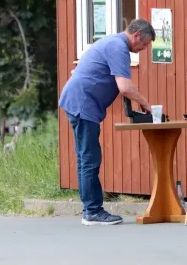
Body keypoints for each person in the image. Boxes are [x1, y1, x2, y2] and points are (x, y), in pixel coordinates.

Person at [58, 19, 155, 226]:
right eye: (144, 45)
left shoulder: (111, 42)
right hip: (83, 105)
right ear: (136, 35)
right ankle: (92, 211)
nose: (143, 50)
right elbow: (125, 87)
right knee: (89, 159)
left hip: (79, 102)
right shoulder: (119, 47)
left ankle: (90, 209)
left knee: (87, 158)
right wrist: (146, 105)